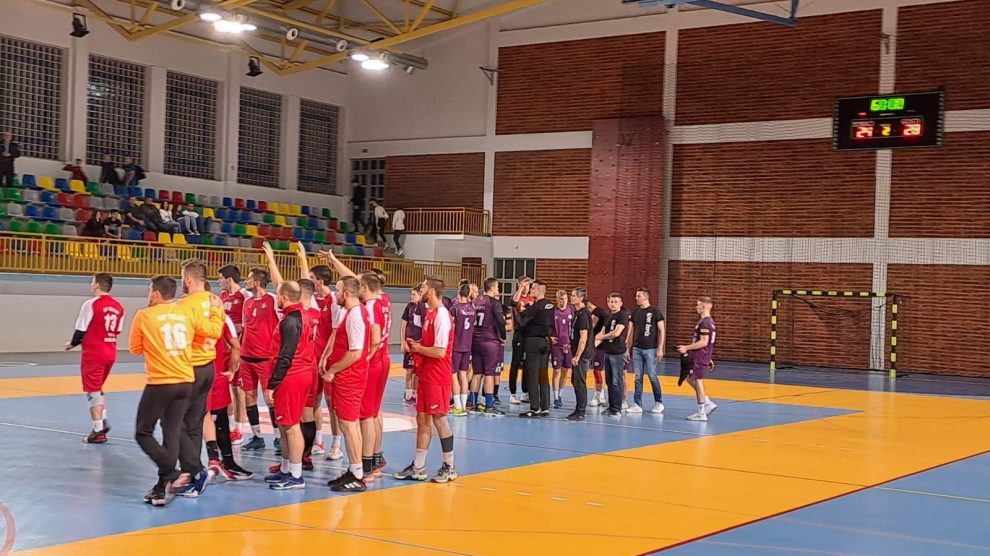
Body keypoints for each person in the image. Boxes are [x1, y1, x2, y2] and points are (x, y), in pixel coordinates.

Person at [129, 276, 195, 507]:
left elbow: (135, 349)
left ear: (156, 293)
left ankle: (172, 472)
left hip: (161, 381)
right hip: (185, 379)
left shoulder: (145, 315)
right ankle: (160, 489)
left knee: (143, 432)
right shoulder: (185, 314)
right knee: (172, 432)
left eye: (150, 291)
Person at [393, 276, 457, 483]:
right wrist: (416, 343)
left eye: (424, 287)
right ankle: (418, 466)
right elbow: (430, 343)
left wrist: (419, 348)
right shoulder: (429, 313)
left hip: (438, 375)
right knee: (422, 419)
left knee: (439, 418)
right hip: (427, 374)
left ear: (432, 291)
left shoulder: (442, 316)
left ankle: (449, 466)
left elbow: (440, 351)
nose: (421, 289)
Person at [173, 260, 225, 498]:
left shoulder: (184, 305)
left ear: (187, 279)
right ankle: (190, 472)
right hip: (208, 366)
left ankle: (193, 470)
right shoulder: (216, 301)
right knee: (195, 421)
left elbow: (178, 338)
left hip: (189, 367)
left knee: (177, 422)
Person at [319, 275, 371, 492]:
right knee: (349, 425)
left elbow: (355, 352)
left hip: (350, 378)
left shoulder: (355, 316)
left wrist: (332, 370)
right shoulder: (353, 312)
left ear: (347, 293)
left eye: (338, 291)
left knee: (349, 426)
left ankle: (357, 475)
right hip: (348, 377)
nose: (335, 294)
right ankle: (354, 469)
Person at [263, 281, 316, 490]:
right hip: (301, 373)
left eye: (277, 295)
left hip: (292, 376)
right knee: (285, 424)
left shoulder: (291, 321)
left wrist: (272, 384)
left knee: (292, 426)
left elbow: (286, 355)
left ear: (284, 297)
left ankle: (296, 475)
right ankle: (286, 469)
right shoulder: (303, 315)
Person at [64, 273, 124, 443]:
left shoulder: (91, 304)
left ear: (97, 284)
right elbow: (117, 330)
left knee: (92, 390)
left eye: (92, 282)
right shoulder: (118, 306)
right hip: (110, 351)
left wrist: (72, 343)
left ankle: (98, 431)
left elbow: (81, 329)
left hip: (94, 353)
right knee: (98, 387)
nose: (91, 285)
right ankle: (102, 420)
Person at [203, 309, 253, 481]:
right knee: (220, 420)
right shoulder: (221, 316)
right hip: (215, 374)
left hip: (192, 375)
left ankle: (189, 467)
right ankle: (227, 462)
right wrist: (232, 369)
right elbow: (236, 345)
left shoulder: (184, 311)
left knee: (191, 421)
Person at [239, 268, 281, 451]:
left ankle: (278, 437)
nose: (246, 281)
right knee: (249, 396)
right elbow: (245, 328)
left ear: (257, 282)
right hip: (246, 357)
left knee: (270, 398)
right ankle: (257, 436)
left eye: (249, 278)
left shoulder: (273, 300)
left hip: (266, 358)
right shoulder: (247, 302)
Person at [218, 264, 251, 445]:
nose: (219, 281)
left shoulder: (245, 296)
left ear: (229, 279)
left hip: (239, 347)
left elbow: (247, 323)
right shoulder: (222, 296)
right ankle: (231, 427)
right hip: (225, 348)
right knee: (227, 387)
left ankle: (239, 428)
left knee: (239, 389)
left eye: (221, 278)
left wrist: (240, 343)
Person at [468, 277, 506, 416]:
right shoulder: (494, 302)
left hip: (475, 341)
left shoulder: (475, 301)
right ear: (492, 288)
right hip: (490, 341)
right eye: (497, 287)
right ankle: (489, 406)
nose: (498, 290)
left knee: (477, 373)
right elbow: (500, 321)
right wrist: (503, 336)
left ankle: (472, 404)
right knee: (489, 374)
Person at [516, 280, 555, 418]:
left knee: (532, 375)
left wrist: (518, 314)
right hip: (545, 341)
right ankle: (545, 407)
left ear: (539, 290)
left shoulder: (535, 307)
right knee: (543, 375)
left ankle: (534, 408)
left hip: (533, 342)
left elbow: (522, 323)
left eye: (533, 289)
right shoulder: (551, 306)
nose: (531, 291)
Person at [677, 297, 718, 422]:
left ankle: (701, 412)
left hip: (699, 356)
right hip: (701, 356)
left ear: (704, 307)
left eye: (698, 305)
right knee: (689, 378)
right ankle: (707, 401)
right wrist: (708, 358)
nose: (696, 307)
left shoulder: (705, 323)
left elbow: (704, 342)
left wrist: (686, 348)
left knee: (698, 381)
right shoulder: (708, 321)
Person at [627, 288, 666, 414]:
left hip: (651, 349)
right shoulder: (635, 312)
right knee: (638, 376)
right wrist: (628, 348)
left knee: (652, 375)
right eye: (636, 295)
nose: (636, 298)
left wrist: (660, 348)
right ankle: (637, 403)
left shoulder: (655, 311)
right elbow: (631, 331)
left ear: (645, 297)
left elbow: (662, 330)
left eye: (638, 296)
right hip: (637, 348)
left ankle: (659, 402)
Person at [595, 293, 630, 417]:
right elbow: (602, 332)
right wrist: (591, 345)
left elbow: (616, 333)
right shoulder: (609, 316)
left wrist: (601, 337)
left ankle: (617, 408)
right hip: (608, 352)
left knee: (616, 381)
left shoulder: (623, 315)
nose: (613, 304)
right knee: (609, 381)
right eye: (611, 302)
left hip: (618, 353)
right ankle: (611, 406)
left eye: (615, 302)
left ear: (620, 303)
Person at [566, 287, 592, 421]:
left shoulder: (583, 315)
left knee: (580, 382)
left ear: (581, 298)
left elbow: (583, 337)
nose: (571, 298)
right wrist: (570, 345)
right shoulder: (577, 313)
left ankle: (581, 411)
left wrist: (577, 355)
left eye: (574, 296)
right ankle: (578, 409)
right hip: (576, 350)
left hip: (582, 354)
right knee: (575, 381)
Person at [508, 277, 535, 404]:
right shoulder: (516, 298)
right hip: (519, 334)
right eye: (524, 285)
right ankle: (513, 393)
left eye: (528, 285)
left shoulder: (532, 298)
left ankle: (525, 392)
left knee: (527, 363)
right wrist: (521, 288)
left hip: (529, 334)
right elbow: (513, 302)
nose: (526, 288)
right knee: (515, 363)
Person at [449, 283, 475, 416]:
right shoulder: (472, 309)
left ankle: (457, 406)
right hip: (467, 346)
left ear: (459, 293)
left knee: (453, 375)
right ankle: (463, 406)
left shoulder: (455, 308)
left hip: (456, 346)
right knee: (463, 375)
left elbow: (451, 327)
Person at [550, 289, 574, 409]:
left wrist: (572, 342)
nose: (563, 301)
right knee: (556, 371)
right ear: (557, 299)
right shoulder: (553, 311)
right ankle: (555, 398)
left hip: (568, 345)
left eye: (565, 299)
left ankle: (560, 395)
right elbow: (547, 325)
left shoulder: (572, 310)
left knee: (565, 370)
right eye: (561, 299)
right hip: (556, 345)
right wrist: (549, 335)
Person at [400, 286, 424, 405]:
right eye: (411, 294)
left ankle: (414, 394)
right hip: (409, 343)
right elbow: (403, 325)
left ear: (420, 295)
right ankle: (408, 394)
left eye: (414, 294)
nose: (411, 296)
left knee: (417, 371)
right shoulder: (409, 307)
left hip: (419, 343)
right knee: (409, 370)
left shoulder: (423, 308)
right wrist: (403, 342)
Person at [586, 300, 608, 407]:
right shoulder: (601, 312)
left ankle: (600, 396)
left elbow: (590, 328)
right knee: (597, 371)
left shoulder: (596, 313)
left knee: (597, 371)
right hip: (597, 345)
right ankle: (599, 395)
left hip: (599, 346)